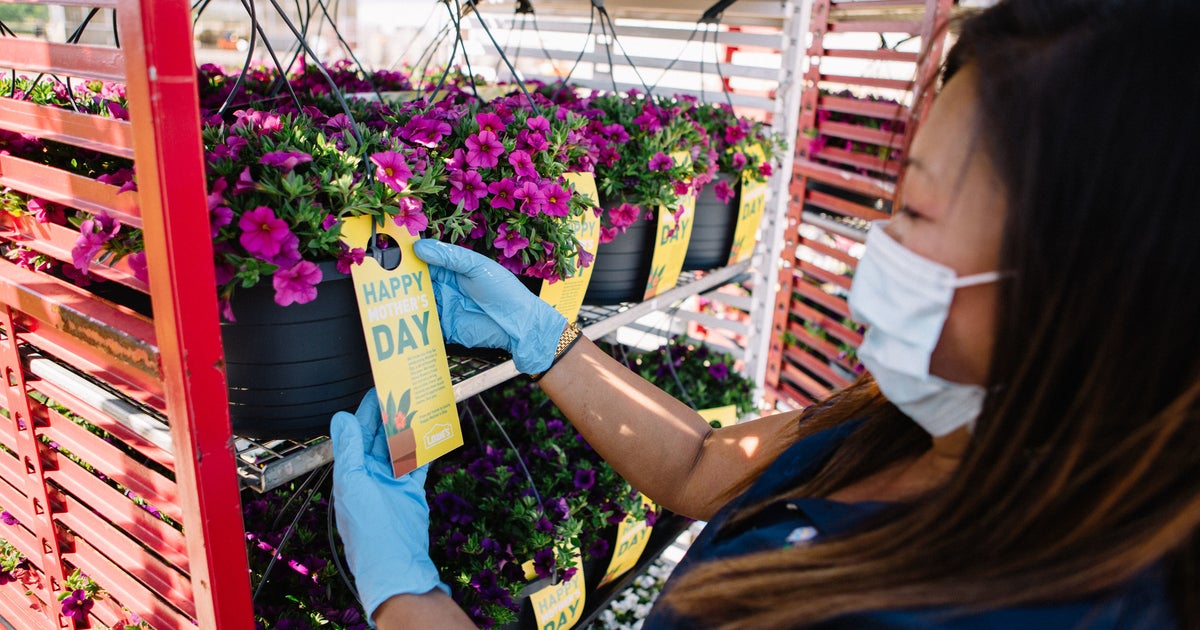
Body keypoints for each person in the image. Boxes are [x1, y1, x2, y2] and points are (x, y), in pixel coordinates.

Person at [330, 0, 1200, 627]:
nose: (875, 241)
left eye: (916, 212)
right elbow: (709, 465)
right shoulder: (924, 423)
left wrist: (406, 595)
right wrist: (547, 341)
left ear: (1084, 280)